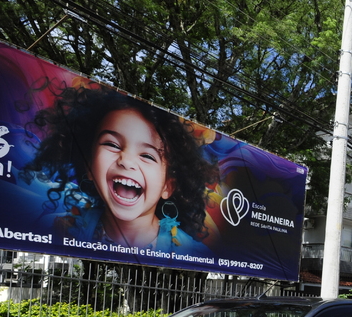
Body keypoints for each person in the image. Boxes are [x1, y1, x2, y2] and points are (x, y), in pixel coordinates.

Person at [26, 83, 216, 255]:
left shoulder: (194, 253)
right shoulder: (58, 231)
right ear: (89, 166)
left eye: (147, 155)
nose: (126, 161)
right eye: (113, 145)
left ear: (168, 186)